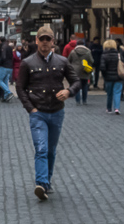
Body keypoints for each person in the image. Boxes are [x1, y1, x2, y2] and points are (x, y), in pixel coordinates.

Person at [15, 25, 80, 201]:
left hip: (57, 112)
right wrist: (31, 109)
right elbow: (20, 88)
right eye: (41, 39)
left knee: (51, 150)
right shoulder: (27, 63)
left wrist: (69, 92)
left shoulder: (62, 62)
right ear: (36, 41)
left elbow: (76, 81)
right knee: (41, 148)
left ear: (53, 42)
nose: (44, 43)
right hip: (38, 113)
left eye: (47, 39)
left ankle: (47, 181)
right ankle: (41, 183)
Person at [99, 39, 124, 114]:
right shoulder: (118, 55)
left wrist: (105, 76)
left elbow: (102, 68)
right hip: (118, 77)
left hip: (108, 78)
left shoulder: (104, 55)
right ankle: (117, 108)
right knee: (117, 93)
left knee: (109, 93)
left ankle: (109, 108)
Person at [70, 40, 94, 105]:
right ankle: (84, 100)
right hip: (85, 70)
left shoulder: (73, 52)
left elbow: (69, 61)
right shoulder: (88, 52)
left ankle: (77, 100)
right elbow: (91, 60)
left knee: (77, 85)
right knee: (85, 85)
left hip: (75, 71)